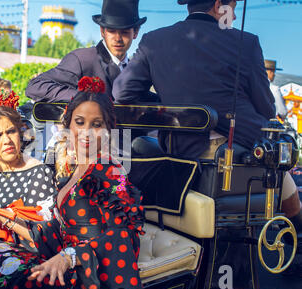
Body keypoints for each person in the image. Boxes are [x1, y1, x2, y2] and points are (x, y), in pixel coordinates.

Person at [113, 0, 302, 254]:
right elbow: (267, 108)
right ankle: (296, 235)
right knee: (281, 166)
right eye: (232, 7)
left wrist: (171, 102)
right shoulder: (245, 42)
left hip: (178, 153)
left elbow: (122, 92)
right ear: (218, 6)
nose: (233, 16)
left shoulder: (154, 40)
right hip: (232, 155)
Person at [0, 77, 145, 289]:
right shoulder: (74, 170)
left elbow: (126, 236)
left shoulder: (111, 172)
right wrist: (0, 217)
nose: (86, 131)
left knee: (19, 282)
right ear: (68, 126)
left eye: (96, 124)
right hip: (66, 260)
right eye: (80, 122)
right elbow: (56, 232)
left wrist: (69, 257)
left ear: (108, 130)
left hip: (91, 272)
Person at [0, 88, 56, 242]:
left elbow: (41, 234)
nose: (7, 140)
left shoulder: (38, 173)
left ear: (20, 132)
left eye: (11, 131)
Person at [25, 0, 152, 103]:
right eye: (111, 31)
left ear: (135, 32)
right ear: (102, 31)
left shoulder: (134, 69)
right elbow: (35, 86)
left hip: (128, 135)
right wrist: (87, 99)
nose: (117, 38)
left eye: (124, 32)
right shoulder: (82, 59)